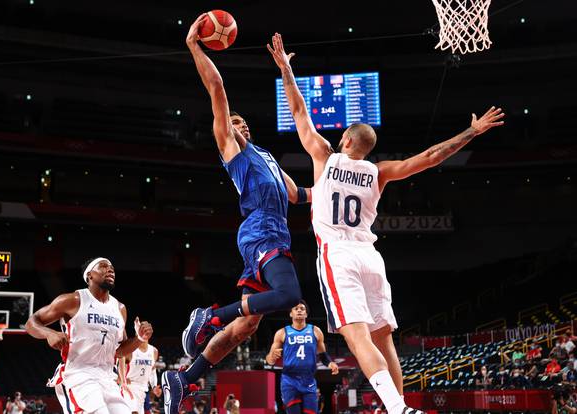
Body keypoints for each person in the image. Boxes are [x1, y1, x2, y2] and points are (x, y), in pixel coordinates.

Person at [267, 32, 504, 414]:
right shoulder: (379, 173)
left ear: (344, 138)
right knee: (384, 340)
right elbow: (429, 157)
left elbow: (299, 113)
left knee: (357, 338)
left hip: (339, 255)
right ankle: (400, 407)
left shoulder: (325, 158)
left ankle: (398, 409)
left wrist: (287, 70)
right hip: (371, 257)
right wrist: (472, 132)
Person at [163, 15, 311, 414]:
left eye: (242, 121)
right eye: (231, 121)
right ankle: (208, 314)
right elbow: (216, 86)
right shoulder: (233, 149)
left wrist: (341, 184)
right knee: (291, 295)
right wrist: (195, 46)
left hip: (273, 231)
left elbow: (299, 195)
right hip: (261, 230)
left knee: (244, 327)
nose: (237, 123)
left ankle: (183, 378)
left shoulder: (267, 158)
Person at [25, 257, 153, 414]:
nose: (110, 269)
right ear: (89, 275)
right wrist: (49, 333)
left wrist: (139, 339)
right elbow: (32, 322)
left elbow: (120, 352)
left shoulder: (120, 308)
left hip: (107, 378)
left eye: (112, 267)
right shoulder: (73, 300)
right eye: (103, 266)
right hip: (79, 375)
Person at [265, 301, 338, 414]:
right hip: (289, 380)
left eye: (302, 309)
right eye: (296, 308)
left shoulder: (316, 331)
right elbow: (269, 361)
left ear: (306, 314)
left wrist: (330, 363)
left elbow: (323, 356)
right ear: (291, 314)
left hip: (308, 379)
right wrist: (272, 356)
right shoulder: (282, 333)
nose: (299, 310)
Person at [124, 340, 159, 414]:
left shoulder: (154, 351)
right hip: (130, 386)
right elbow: (118, 362)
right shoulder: (130, 348)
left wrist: (154, 386)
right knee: (133, 411)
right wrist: (122, 377)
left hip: (143, 387)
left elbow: (152, 370)